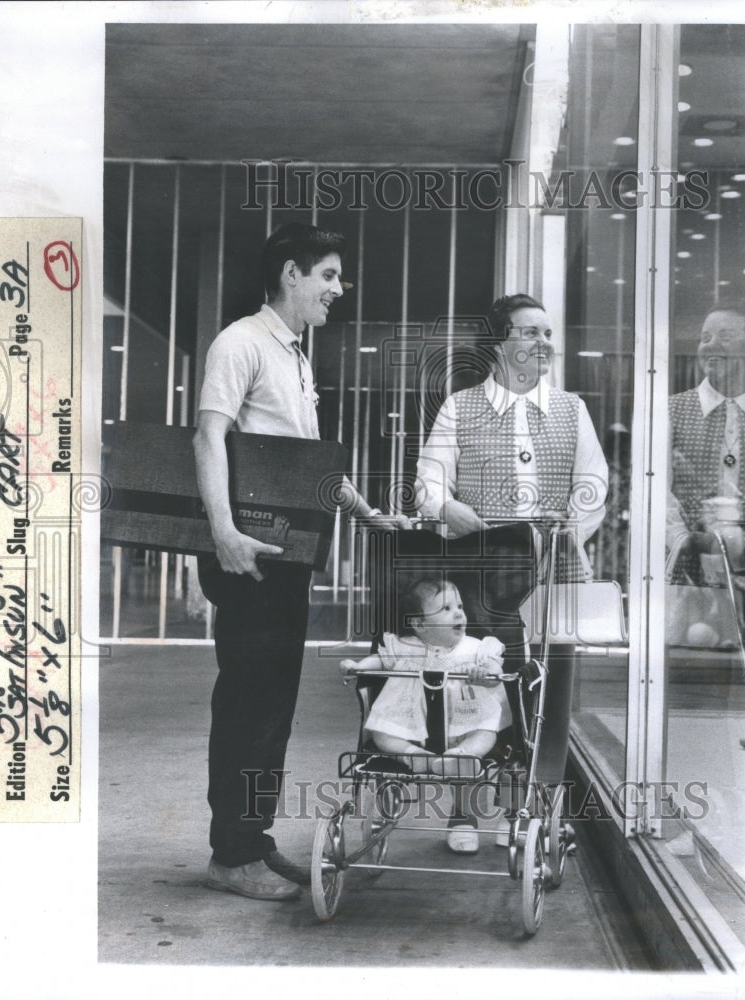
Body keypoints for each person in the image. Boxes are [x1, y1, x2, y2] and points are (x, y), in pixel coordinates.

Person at [194, 222, 406, 901]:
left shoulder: (293, 356)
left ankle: (251, 843)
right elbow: (208, 436)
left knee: (272, 707)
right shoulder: (241, 342)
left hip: (286, 554)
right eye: (329, 277)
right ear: (291, 274)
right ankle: (230, 856)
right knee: (249, 705)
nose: (337, 291)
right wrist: (223, 531)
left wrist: (367, 514)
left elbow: (303, 467)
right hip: (247, 554)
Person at [416, 293, 608, 834]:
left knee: (547, 687)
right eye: (530, 333)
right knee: (473, 684)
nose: (544, 343)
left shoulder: (571, 409)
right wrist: (444, 505)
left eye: (548, 334)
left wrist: (562, 534)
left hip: (554, 571)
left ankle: (533, 809)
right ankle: (464, 810)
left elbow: (594, 486)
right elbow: (430, 481)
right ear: (500, 345)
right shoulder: (461, 406)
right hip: (482, 571)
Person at [340, 577, 507, 854]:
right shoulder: (405, 645)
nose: (458, 613)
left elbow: (495, 671)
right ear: (419, 625)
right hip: (412, 723)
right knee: (382, 732)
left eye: (460, 606)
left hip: (464, 717)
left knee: (485, 731)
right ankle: (412, 756)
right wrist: (358, 666)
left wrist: (485, 675)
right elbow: (381, 661)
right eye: (445, 609)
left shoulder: (476, 647)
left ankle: (464, 761)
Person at [667, 300, 745, 640]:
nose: (711, 345)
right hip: (688, 578)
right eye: (704, 337)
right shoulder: (673, 410)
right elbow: (656, 489)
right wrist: (684, 539)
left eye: (725, 336)